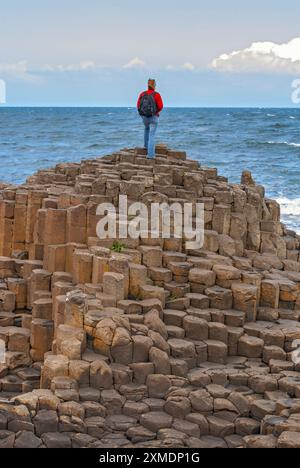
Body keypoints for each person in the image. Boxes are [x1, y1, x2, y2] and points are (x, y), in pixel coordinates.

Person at [137, 79, 164, 158]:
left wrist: (142, 114)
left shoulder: (142, 94)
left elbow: (138, 105)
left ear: (147, 85)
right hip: (153, 117)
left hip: (144, 117)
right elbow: (161, 106)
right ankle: (150, 155)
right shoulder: (156, 94)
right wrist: (156, 112)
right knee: (152, 135)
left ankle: (146, 146)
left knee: (146, 128)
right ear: (154, 85)